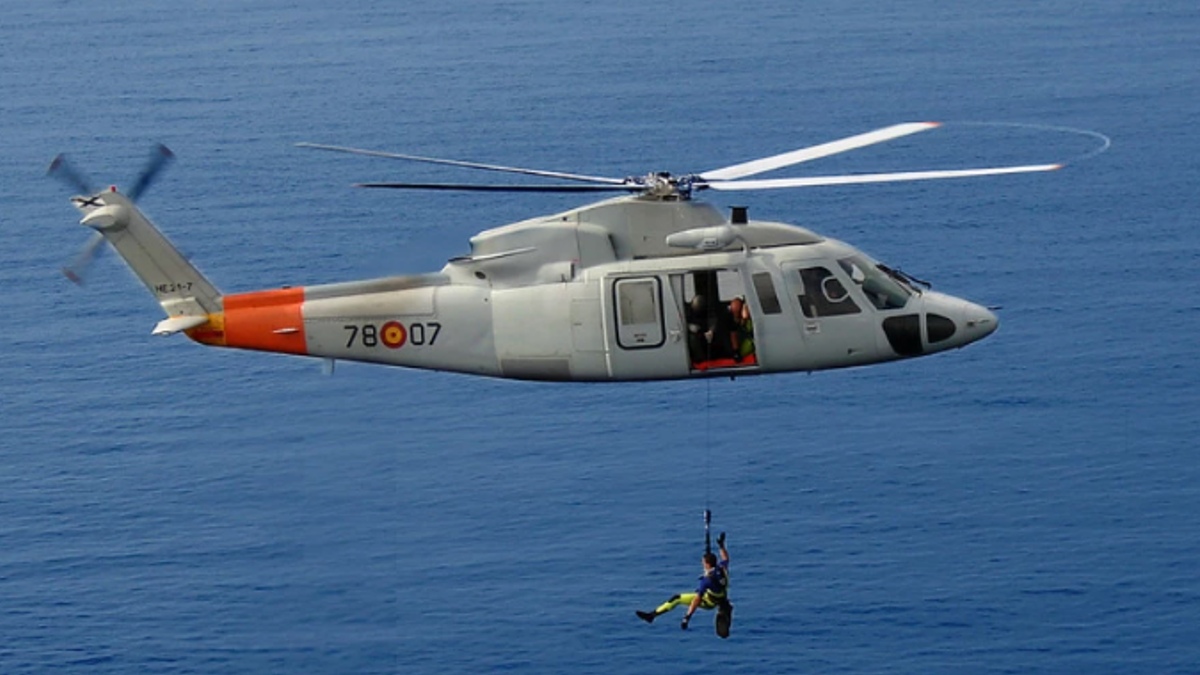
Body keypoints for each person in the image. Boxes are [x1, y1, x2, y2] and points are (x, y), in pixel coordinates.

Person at [636, 533, 733, 637]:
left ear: (707, 564)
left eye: (703, 563)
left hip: (709, 602)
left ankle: (652, 616)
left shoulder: (706, 581)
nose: (702, 564)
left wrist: (687, 617)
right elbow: (725, 559)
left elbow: (696, 600)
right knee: (680, 597)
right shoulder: (721, 569)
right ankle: (651, 615)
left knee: (677, 599)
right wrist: (721, 545)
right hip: (722, 597)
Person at [728, 297, 754, 361]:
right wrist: (736, 352)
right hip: (745, 352)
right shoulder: (734, 325)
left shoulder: (752, 320)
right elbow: (733, 335)